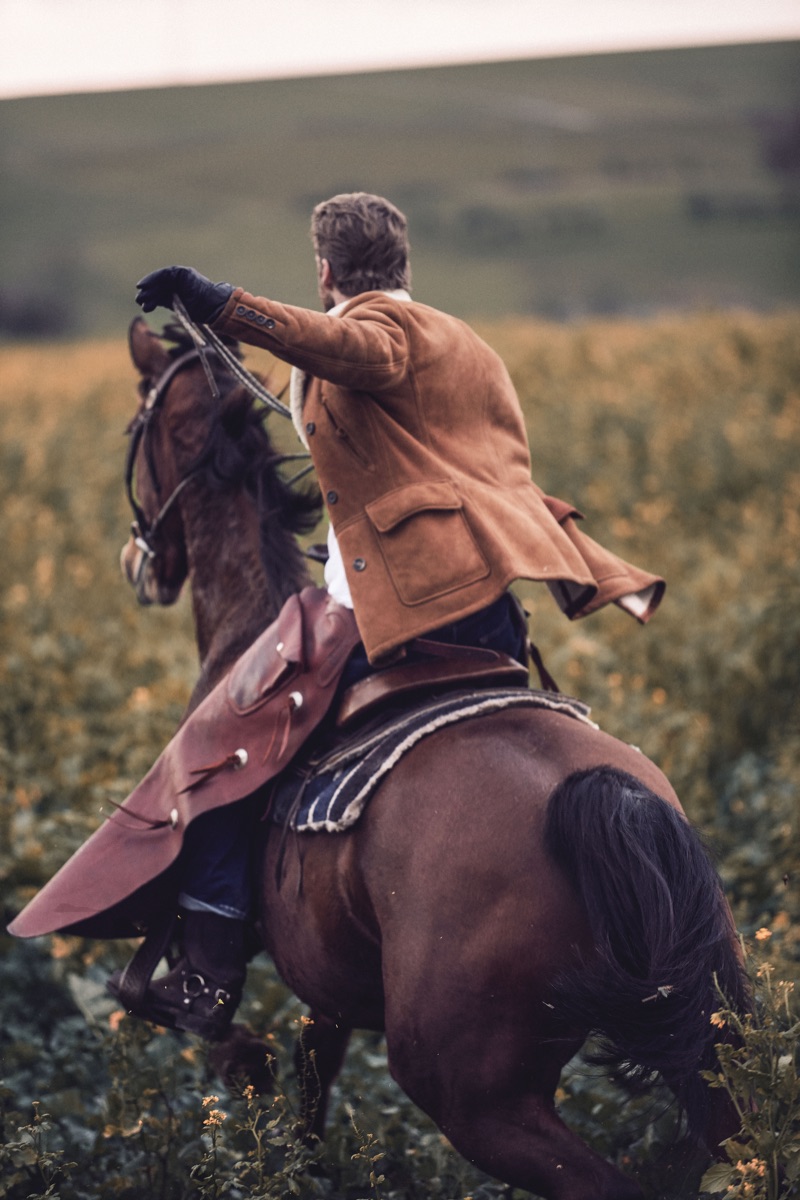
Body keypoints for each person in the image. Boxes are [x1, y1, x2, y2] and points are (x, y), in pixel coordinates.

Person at [125, 191, 664, 1038]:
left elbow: (353, 347)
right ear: (404, 260)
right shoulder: (469, 342)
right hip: (484, 608)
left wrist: (221, 300)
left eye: (322, 278)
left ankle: (208, 967)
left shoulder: (387, 334)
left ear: (327, 270)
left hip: (405, 612)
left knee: (221, 743)